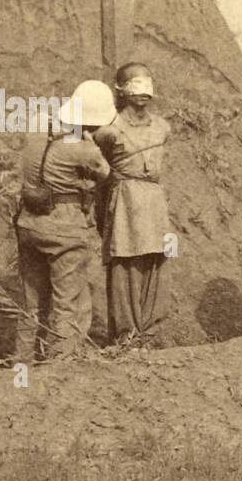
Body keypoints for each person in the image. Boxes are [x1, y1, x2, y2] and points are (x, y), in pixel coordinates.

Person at [12, 80, 113, 362]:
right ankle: (61, 368)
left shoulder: (37, 126)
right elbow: (106, 174)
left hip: (29, 222)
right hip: (64, 227)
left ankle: (22, 361)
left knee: (30, 301)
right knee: (69, 303)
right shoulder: (84, 149)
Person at [93, 62, 171, 346]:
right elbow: (98, 176)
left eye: (146, 83)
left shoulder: (163, 128)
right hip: (123, 200)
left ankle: (150, 334)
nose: (142, 91)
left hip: (154, 201)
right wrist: (102, 215)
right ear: (121, 90)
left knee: (157, 260)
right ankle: (126, 335)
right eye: (134, 84)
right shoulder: (109, 130)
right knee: (125, 264)